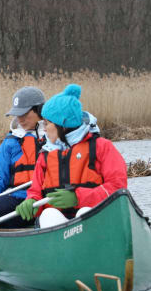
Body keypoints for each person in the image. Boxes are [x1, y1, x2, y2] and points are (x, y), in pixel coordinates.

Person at [15, 84, 127, 228]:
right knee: (48, 214)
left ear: (63, 125)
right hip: (61, 226)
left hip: (98, 219)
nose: (44, 128)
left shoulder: (102, 147)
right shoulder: (46, 154)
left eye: (47, 123)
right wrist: (32, 201)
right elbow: (35, 191)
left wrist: (78, 198)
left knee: (85, 212)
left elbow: (118, 188)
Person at [0, 86, 46, 228]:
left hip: (46, 197)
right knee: (1, 207)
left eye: (24, 114)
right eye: (18, 114)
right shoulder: (11, 141)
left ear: (39, 110)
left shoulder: (54, 134)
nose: (20, 119)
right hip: (21, 199)